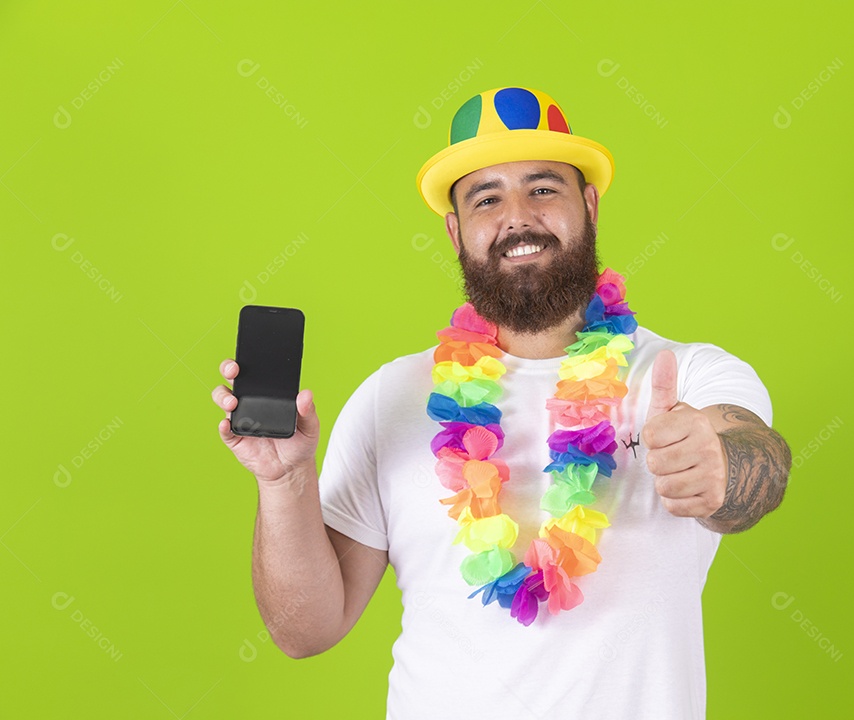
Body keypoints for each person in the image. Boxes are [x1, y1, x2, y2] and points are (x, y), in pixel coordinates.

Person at [212, 86, 791, 719]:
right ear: (456, 230)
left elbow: (752, 462)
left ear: (591, 206)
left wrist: (720, 467)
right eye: (486, 197)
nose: (517, 216)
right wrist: (284, 481)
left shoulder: (686, 376)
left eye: (544, 188)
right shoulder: (393, 396)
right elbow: (305, 631)